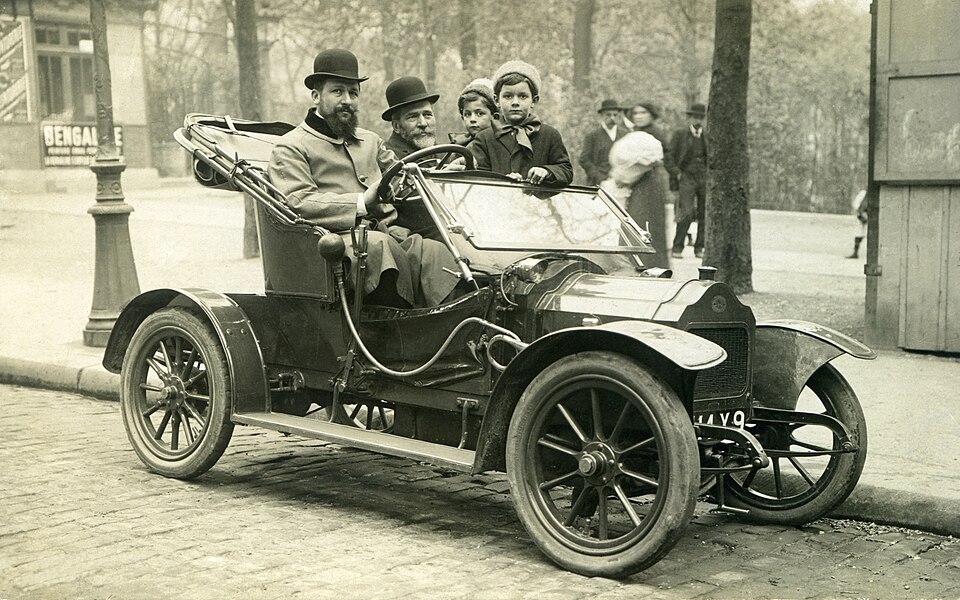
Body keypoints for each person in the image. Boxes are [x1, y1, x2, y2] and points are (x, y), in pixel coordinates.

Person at [268, 49, 459, 308]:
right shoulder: (291, 146)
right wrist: (361, 202)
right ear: (316, 96)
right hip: (333, 244)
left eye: (353, 93)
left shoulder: (370, 141)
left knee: (439, 252)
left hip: (387, 234)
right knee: (380, 249)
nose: (347, 100)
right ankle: (397, 326)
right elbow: (298, 201)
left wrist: (444, 176)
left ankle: (452, 322)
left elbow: (403, 181)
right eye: (338, 92)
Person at [467, 60, 573, 186]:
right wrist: (502, 181)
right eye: (508, 96)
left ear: (534, 101)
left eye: (523, 96)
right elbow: (478, 178)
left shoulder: (549, 135)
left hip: (538, 198)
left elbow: (565, 170)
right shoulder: (484, 138)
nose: (515, 103)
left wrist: (547, 171)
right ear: (497, 100)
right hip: (499, 198)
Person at [601, 131, 670, 269]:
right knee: (638, 230)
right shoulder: (635, 143)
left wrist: (622, 177)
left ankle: (645, 267)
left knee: (644, 230)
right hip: (641, 190)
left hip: (646, 193)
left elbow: (630, 171)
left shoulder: (646, 148)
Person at [665, 102, 708, 259]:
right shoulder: (680, 134)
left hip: (703, 178)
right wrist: (677, 173)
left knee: (704, 213)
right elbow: (668, 156)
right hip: (686, 178)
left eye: (700, 117)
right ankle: (677, 247)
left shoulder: (707, 136)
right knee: (686, 213)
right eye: (695, 117)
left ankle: (700, 248)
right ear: (689, 118)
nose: (698, 120)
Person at [382, 76, 440, 158]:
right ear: (396, 126)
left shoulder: (444, 153)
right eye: (413, 117)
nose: (423, 123)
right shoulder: (386, 158)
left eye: (427, 114)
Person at [579, 99, 628, 186]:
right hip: (598, 183)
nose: (612, 118)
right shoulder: (593, 136)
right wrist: (597, 176)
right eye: (608, 115)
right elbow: (584, 159)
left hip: (620, 182)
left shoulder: (625, 134)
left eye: (615, 115)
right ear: (601, 116)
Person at [450, 78, 497, 145]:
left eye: (480, 114)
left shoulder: (503, 144)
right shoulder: (458, 146)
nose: (472, 119)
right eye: (467, 114)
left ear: (494, 116)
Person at [847, 188, 867, 259]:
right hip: (862, 215)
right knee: (858, 233)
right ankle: (855, 252)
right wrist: (862, 212)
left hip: (872, 216)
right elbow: (856, 204)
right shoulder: (863, 193)